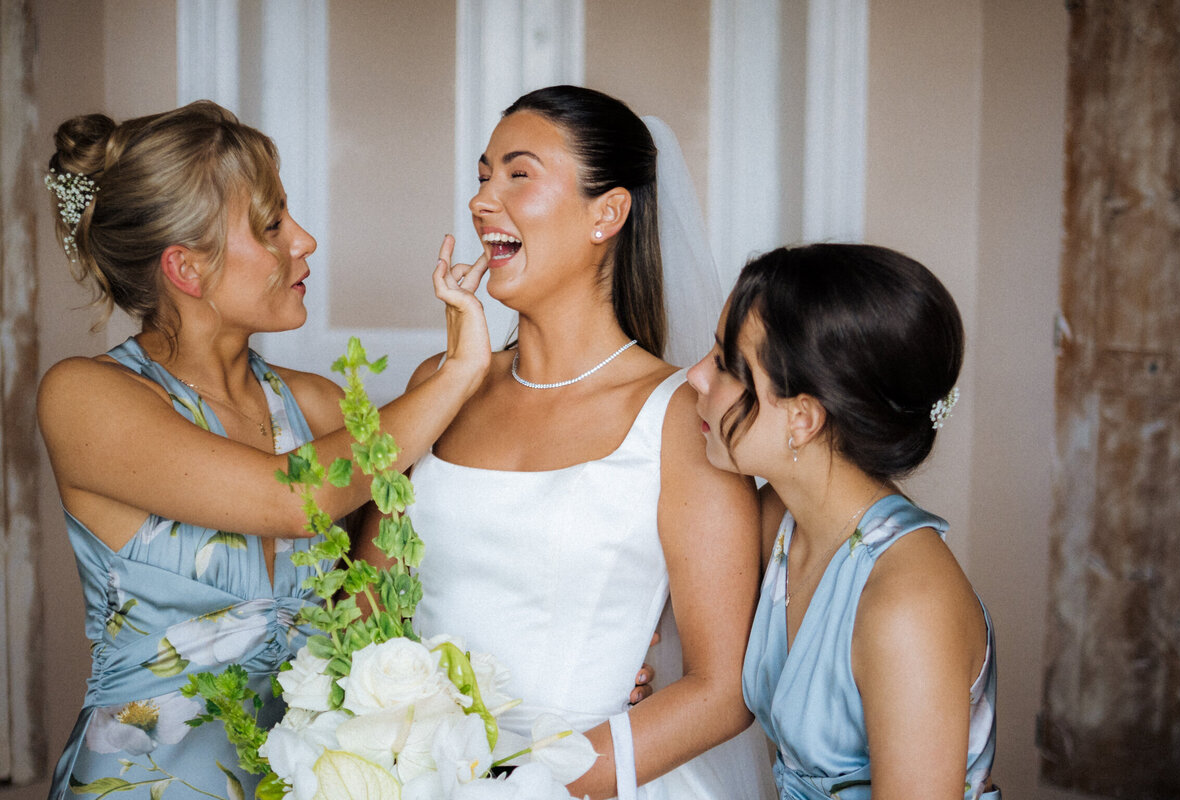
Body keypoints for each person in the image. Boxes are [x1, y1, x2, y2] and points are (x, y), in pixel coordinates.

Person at [38, 101, 491, 799]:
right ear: (187, 270)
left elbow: (396, 585)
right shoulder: (84, 397)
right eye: (273, 224)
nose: (305, 240)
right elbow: (292, 498)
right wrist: (459, 373)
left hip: (304, 783)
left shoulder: (314, 408)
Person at [359, 85, 775, 799]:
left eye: (518, 174)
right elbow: (365, 606)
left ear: (607, 213)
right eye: (484, 175)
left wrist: (516, 785)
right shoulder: (444, 381)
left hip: (588, 780)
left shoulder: (680, 416)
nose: (483, 200)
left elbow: (722, 688)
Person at [686, 244, 1001, 799]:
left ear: (802, 418)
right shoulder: (775, 521)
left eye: (726, 366)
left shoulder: (906, 605)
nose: (694, 377)